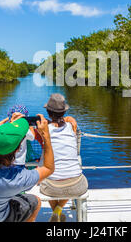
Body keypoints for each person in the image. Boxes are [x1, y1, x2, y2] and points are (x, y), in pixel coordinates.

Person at [38, 93, 88, 222]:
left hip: (51, 187)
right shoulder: (71, 126)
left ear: (48, 112)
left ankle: (56, 212)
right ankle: (58, 210)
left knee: (46, 176)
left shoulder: (44, 131)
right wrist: (69, 118)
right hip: (76, 185)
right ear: (64, 112)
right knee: (71, 176)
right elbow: (67, 121)